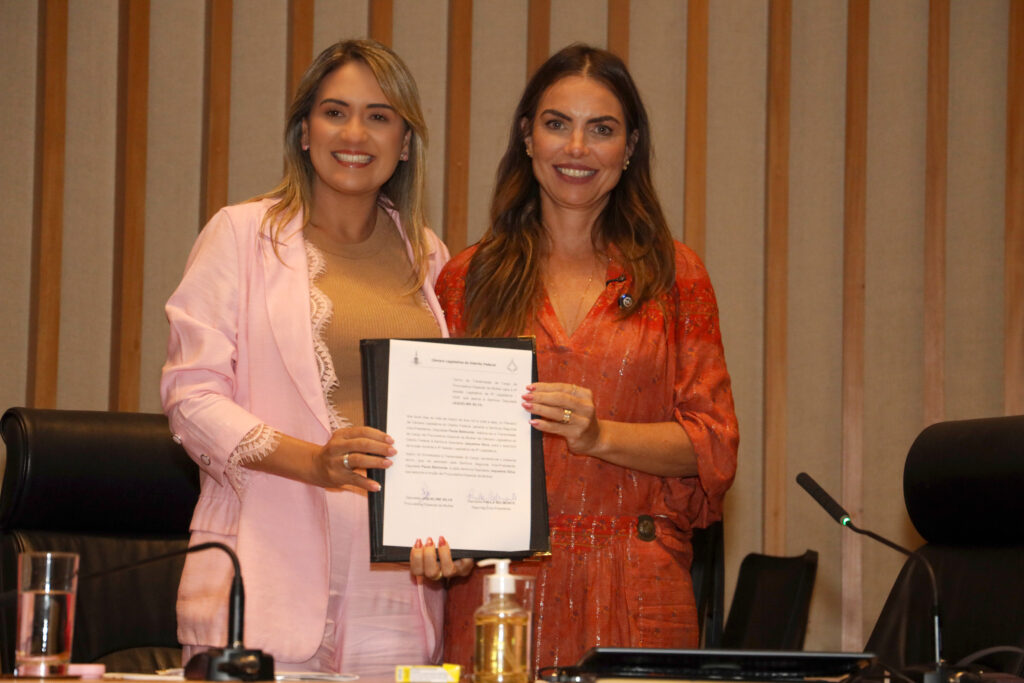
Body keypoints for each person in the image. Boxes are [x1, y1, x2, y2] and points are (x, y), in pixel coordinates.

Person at [413, 44, 739, 670]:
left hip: (639, 591)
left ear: (630, 148)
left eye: (602, 130)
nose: (577, 148)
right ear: (527, 137)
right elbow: (439, 451)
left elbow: (714, 447)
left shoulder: (675, 277)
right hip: (498, 592)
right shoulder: (466, 279)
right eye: (557, 123)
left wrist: (598, 435)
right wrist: (434, 537)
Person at [160, 39, 450, 675]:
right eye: (335, 111)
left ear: (405, 142)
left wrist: (452, 525)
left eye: (380, 116)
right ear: (303, 131)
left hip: (395, 587)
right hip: (263, 570)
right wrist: (315, 463)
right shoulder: (239, 234)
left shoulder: (431, 257)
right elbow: (191, 398)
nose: (355, 133)